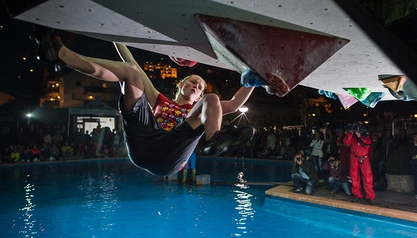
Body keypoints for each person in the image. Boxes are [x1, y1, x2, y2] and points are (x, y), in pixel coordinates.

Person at [34, 26, 256, 176]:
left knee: (212, 100)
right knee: (131, 72)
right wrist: (115, 35)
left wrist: (253, 79)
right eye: (193, 81)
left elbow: (235, 104)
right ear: (180, 84)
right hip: (145, 143)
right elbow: (132, 63)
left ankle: (213, 139)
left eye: (199, 86)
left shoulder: (200, 108)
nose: (197, 86)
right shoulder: (159, 100)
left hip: (172, 157)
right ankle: (61, 54)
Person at [343, 122, 376, 204]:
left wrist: (360, 136)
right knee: (354, 177)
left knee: (368, 178)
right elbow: (346, 143)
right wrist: (351, 132)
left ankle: (370, 196)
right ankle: (357, 195)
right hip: (354, 158)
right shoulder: (352, 135)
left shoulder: (365, 135)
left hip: (364, 158)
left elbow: (367, 144)